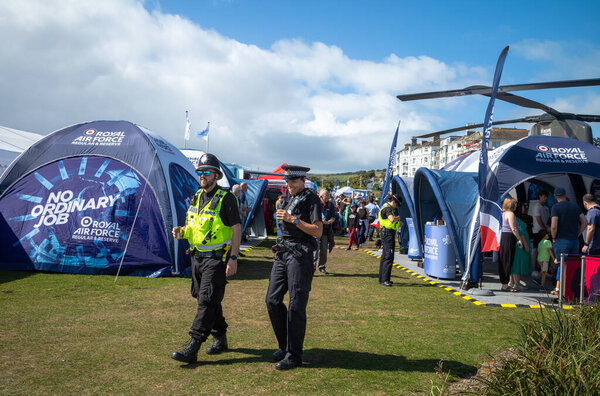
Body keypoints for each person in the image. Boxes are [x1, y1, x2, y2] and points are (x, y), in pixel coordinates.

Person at [171, 153, 241, 364]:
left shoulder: (226, 198)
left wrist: (234, 258)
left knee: (207, 300)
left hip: (217, 259)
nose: (202, 175)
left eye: (206, 172)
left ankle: (193, 346)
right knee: (203, 297)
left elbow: (236, 229)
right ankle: (220, 336)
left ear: (216, 175)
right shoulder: (196, 197)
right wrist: (181, 232)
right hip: (197, 258)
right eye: (200, 172)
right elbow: (194, 227)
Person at [265, 165, 322, 370]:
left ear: (303, 181)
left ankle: (294, 355)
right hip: (283, 253)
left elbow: (317, 231)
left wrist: (293, 219)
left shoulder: (311, 199)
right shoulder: (289, 198)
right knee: (272, 300)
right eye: (287, 182)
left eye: (293, 182)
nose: (289, 186)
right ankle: (285, 345)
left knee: (296, 305)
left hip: (300, 255)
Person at [550, 187, 587, 295]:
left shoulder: (555, 207)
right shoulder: (575, 206)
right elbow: (584, 222)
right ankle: (569, 290)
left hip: (561, 240)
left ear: (555, 196)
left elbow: (553, 226)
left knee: (562, 265)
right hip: (574, 241)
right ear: (565, 195)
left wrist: (553, 238)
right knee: (572, 266)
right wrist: (578, 233)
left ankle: (562, 291)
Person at [499, 197, 523, 292]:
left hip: (503, 237)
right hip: (509, 237)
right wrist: (519, 239)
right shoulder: (510, 214)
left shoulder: (503, 213)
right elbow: (513, 229)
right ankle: (505, 284)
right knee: (508, 260)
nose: (516, 206)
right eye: (515, 204)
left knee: (504, 260)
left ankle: (505, 283)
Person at [378, 194, 403, 287]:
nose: (396, 207)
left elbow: (389, 223)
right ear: (393, 202)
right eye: (396, 205)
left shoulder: (385, 207)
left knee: (385, 256)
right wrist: (398, 218)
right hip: (388, 234)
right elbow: (391, 219)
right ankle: (385, 280)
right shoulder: (388, 209)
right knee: (388, 257)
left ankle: (382, 278)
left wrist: (398, 223)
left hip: (385, 233)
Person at [510, 202, 531, 291]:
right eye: (524, 206)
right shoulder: (516, 218)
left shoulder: (515, 218)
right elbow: (521, 233)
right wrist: (526, 245)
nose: (525, 208)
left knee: (514, 263)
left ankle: (512, 281)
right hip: (520, 244)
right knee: (517, 263)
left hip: (517, 243)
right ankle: (517, 283)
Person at [531, 190, 551, 274]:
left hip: (545, 231)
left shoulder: (546, 208)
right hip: (537, 232)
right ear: (540, 196)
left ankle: (544, 269)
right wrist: (544, 229)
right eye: (544, 197)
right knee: (536, 250)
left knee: (545, 250)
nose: (545, 198)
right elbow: (538, 219)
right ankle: (534, 269)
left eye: (546, 197)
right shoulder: (537, 207)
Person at [317, 189, 335, 274]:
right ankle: (311, 267)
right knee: (314, 250)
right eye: (326, 195)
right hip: (315, 230)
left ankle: (322, 266)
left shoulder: (331, 205)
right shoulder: (316, 204)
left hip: (325, 231)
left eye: (328, 195)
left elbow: (333, 217)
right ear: (321, 196)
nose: (328, 197)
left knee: (324, 250)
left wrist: (328, 222)